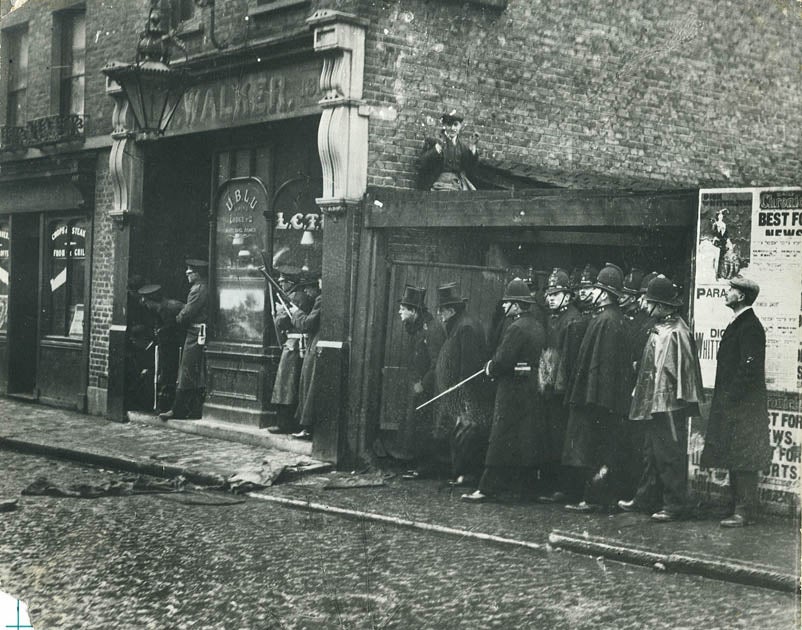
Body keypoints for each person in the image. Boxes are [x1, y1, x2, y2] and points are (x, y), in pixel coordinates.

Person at [619, 275, 705, 522]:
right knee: (651, 451)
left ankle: (674, 504)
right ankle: (646, 498)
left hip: (668, 404)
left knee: (668, 454)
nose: (645, 305)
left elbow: (682, 371)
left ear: (661, 305)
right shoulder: (662, 328)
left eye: (649, 302)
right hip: (654, 401)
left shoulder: (677, 331)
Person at [461, 278, 546, 503]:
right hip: (531, 388)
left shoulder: (515, 328)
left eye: (508, 302)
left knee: (500, 438)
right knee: (524, 439)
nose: (505, 306)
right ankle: (522, 490)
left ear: (516, 305)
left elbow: (502, 360)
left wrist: (490, 367)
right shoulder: (537, 325)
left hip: (511, 390)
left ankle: (487, 488)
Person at [700, 277, 772, 527]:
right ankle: (735, 506)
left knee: (744, 457)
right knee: (735, 453)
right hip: (735, 404)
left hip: (744, 406)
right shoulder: (739, 323)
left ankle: (743, 511)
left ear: (741, 296)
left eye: (731, 290)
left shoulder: (750, 326)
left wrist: (731, 396)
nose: (727, 292)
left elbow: (748, 369)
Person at [563, 263, 634, 513]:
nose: (591, 293)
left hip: (599, 401)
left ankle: (594, 499)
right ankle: (597, 498)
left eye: (595, 289)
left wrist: (593, 398)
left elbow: (601, 367)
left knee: (595, 449)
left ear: (604, 293)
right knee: (603, 449)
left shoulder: (605, 321)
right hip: (607, 400)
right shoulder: (614, 319)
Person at [433, 282, 490, 486]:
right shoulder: (460, 324)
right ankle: (459, 473)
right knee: (458, 432)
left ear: (451, 310)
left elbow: (469, 365)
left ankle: (467, 475)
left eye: (441, 310)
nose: (439, 315)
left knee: (467, 433)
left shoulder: (466, 327)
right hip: (459, 392)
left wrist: (463, 392)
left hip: (467, 392)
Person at [537, 268, 583, 503]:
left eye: (556, 294)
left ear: (568, 296)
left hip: (561, 392)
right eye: (549, 294)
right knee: (551, 437)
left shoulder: (573, 320)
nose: (551, 298)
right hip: (550, 388)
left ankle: (563, 488)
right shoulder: (553, 318)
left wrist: (560, 388)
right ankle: (552, 485)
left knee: (561, 438)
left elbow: (570, 361)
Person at [395, 285, 446, 478]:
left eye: (403, 308)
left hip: (428, 387)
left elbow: (437, 362)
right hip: (419, 384)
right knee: (415, 424)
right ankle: (417, 464)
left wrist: (423, 384)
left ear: (414, 311)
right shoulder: (417, 327)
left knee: (425, 425)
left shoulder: (431, 329)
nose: (399, 312)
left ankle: (425, 468)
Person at [159, 259, 209, 420]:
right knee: (195, 372)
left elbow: (187, 313)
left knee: (186, 370)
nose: (187, 272)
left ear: (198, 274)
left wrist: (178, 317)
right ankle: (192, 409)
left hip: (195, 334)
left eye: (191, 270)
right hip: (199, 332)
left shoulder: (198, 289)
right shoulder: (203, 287)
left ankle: (178, 410)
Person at [267, 277, 312, 434]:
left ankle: (284, 424)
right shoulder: (301, 296)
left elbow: (282, 322)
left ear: (290, 282)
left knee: (285, 385)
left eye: (283, 280)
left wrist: (278, 313)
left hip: (293, 345)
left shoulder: (294, 297)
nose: (281, 283)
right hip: (300, 345)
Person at [138, 284, 185, 413]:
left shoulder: (170, 309)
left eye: (147, 302)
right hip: (167, 347)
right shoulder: (160, 309)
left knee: (169, 375)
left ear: (152, 300)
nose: (146, 306)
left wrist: (160, 332)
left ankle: (166, 406)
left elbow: (172, 330)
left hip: (174, 348)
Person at [291, 275, 322, 440]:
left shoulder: (322, 299)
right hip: (315, 345)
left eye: (309, 287)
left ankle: (308, 427)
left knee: (309, 387)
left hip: (315, 347)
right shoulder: (319, 299)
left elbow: (307, 324)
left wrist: (296, 313)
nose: (306, 291)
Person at [417, 111, 479, 191]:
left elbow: (471, 169)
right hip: (437, 184)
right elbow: (421, 163)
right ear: (444, 125)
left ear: (460, 126)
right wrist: (436, 149)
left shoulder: (463, 147)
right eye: (449, 124)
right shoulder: (433, 141)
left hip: (457, 185)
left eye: (455, 125)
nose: (452, 128)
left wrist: (472, 147)